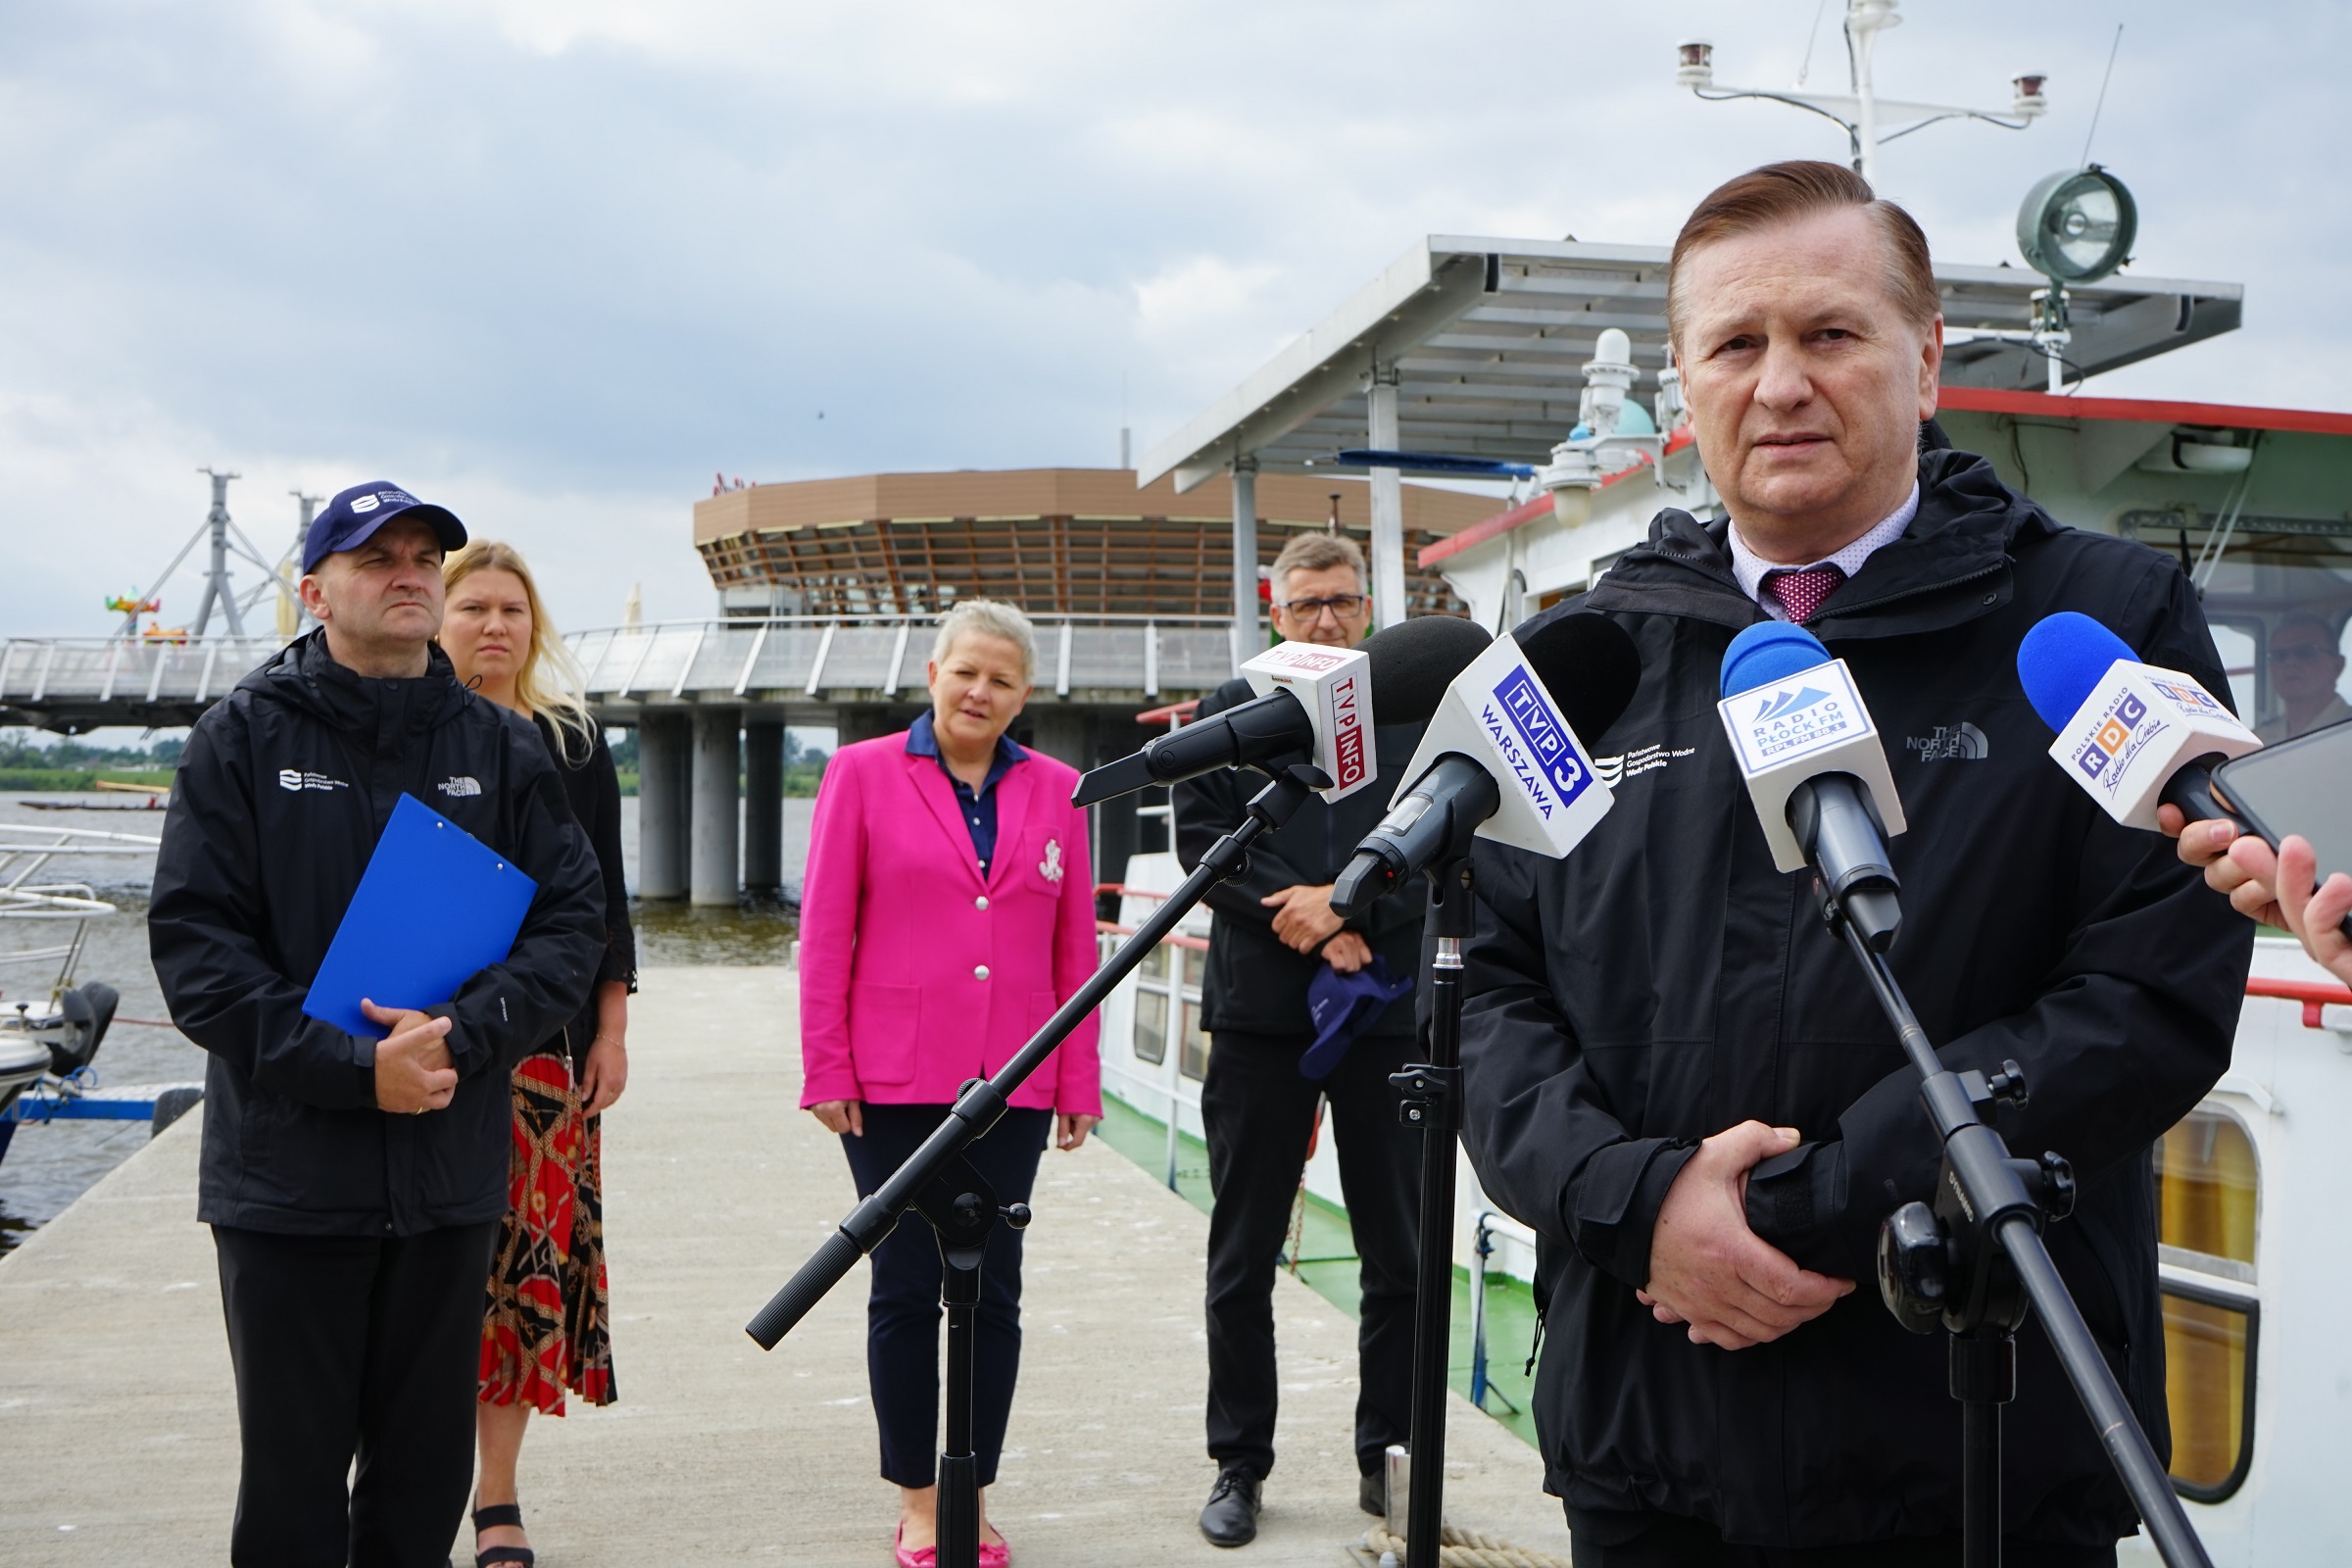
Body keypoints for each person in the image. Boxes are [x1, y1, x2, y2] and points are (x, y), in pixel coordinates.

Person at [1455, 162, 2252, 1564]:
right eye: (1735, 345)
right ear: (1686, 386)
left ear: (1927, 358)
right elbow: (1485, 984)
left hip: (1980, 1448)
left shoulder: (2105, 621)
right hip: (1654, 1442)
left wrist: (1801, 1212)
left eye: (1830, 333)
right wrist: (1636, 1204)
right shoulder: (1587, 659)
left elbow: (2149, 996)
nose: (1781, 385)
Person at [149, 481, 605, 1568]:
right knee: (292, 1489)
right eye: (376, 558)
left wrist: (460, 1034)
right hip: (287, 1182)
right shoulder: (240, 739)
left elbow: (572, 923)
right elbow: (198, 953)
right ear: (314, 593)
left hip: (449, 1175)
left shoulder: (502, 749)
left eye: (422, 558)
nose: (408, 575)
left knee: (422, 1484)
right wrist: (356, 1069)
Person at [797, 599, 1103, 1568]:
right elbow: (825, 931)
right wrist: (826, 1063)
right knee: (905, 1283)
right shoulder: (861, 772)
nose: (980, 691)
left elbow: (1076, 948)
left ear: (1025, 694)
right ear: (933, 672)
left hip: (1014, 1078)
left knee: (994, 1287)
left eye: (1001, 679)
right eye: (965, 671)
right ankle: (919, 1502)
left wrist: (1078, 1077)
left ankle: (974, 1490)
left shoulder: (1060, 790)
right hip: (891, 1078)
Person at [1173, 531, 1430, 1549]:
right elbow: (1202, 844)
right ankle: (1239, 1462)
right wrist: (1314, 917)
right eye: (1307, 603)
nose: (1327, 618)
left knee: (1398, 1250)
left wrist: (1351, 904)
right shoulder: (1228, 710)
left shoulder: (1411, 715)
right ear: (1273, 611)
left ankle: (1388, 1457)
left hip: (1387, 1009)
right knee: (1242, 1254)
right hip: (1258, 1016)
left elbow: (1448, 838)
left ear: (1366, 609)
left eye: (1343, 602)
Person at [437, 540, 637, 1568]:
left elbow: (605, 899)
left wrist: (613, 1030)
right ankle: (399, 1483)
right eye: (472, 606)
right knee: (427, 1278)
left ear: (534, 625)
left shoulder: (573, 743)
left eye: (512, 609)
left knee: (518, 1279)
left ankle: (498, 1497)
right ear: (436, 618)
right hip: (423, 1045)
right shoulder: (408, 734)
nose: (495, 625)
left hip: (547, 1051)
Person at [2254, 612, 2350, 742]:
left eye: (2306, 652)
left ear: (2337, 666)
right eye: (2279, 656)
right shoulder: (2258, 740)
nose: (2290, 662)